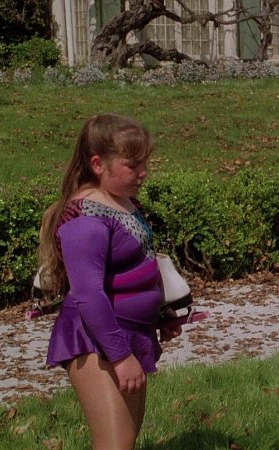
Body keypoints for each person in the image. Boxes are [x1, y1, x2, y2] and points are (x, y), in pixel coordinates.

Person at [37, 114, 182, 450]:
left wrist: (161, 313)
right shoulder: (86, 217)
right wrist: (120, 357)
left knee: (124, 442)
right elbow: (88, 294)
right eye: (133, 165)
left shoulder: (122, 202)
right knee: (115, 445)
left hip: (130, 334)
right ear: (98, 164)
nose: (143, 173)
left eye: (145, 163)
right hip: (96, 337)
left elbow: (137, 267)